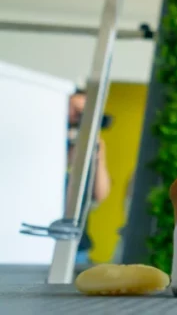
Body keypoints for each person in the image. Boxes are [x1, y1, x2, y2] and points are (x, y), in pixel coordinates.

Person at [66, 89, 112, 266]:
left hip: (76, 245)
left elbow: (100, 194)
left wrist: (98, 152)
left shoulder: (90, 145)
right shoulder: (49, 139)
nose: (77, 118)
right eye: (75, 110)